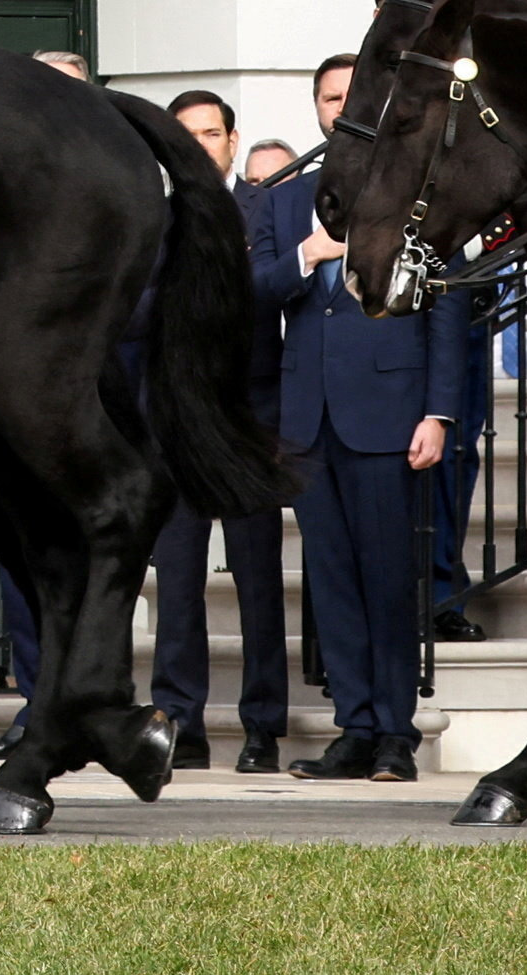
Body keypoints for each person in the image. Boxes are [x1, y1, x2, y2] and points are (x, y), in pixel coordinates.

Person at [285, 54, 468, 781]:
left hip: (390, 416)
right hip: (309, 420)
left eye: (351, 95)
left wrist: (440, 412)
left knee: (390, 580)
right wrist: (307, 254)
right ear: (319, 108)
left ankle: (396, 732)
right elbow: (253, 287)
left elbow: (445, 311)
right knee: (330, 584)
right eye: (329, 96)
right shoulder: (284, 200)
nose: (341, 107)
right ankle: (353, 727)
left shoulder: (420, 195)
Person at [137, 90, 288, 770]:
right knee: (177, 584)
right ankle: (180, 722)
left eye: (211, 133)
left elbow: (273, 292)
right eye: (185, 136)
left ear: (233, 140)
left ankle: (262, 726)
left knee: (258, 582)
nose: (200, 146)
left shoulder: (270, 209)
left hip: (250, 419)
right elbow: (136, 308)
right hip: (178, 421)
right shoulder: (153, 219)